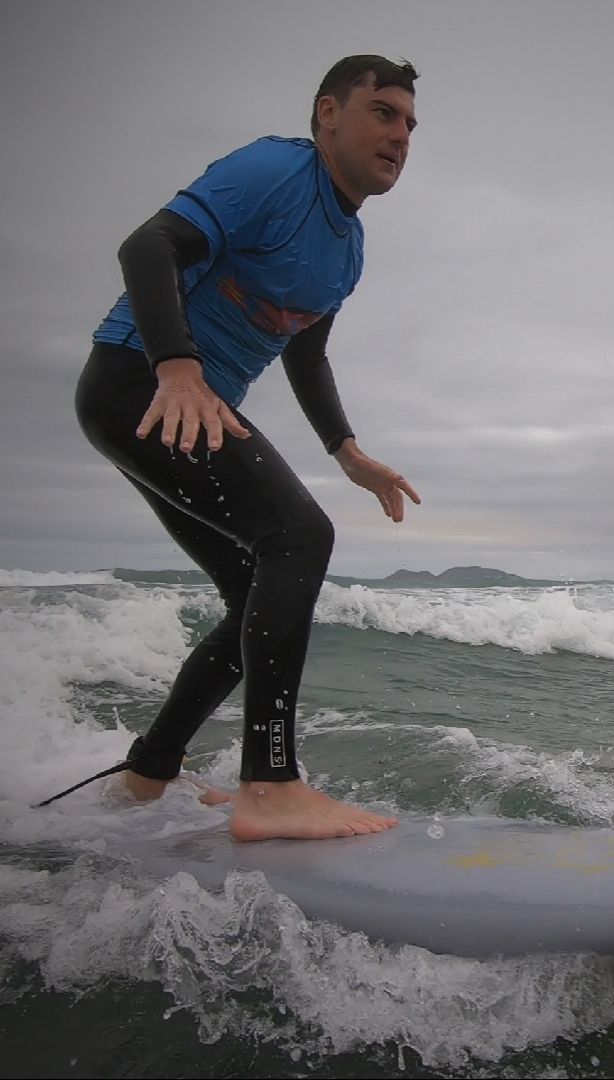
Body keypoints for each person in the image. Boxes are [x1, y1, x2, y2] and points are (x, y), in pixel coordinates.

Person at [71, 55, 422, 840]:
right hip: (142, 384)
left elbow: (305, 353)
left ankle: (148, 773)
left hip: (177, 406)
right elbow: (147, 246)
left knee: (252, 586)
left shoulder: (349, 248)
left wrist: (347, 451)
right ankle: (270, 785)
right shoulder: (274, 170)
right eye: (382, 112)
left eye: (408, 123)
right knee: (299, 536)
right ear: (328, 113)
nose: (399, 135)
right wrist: (179, 366)